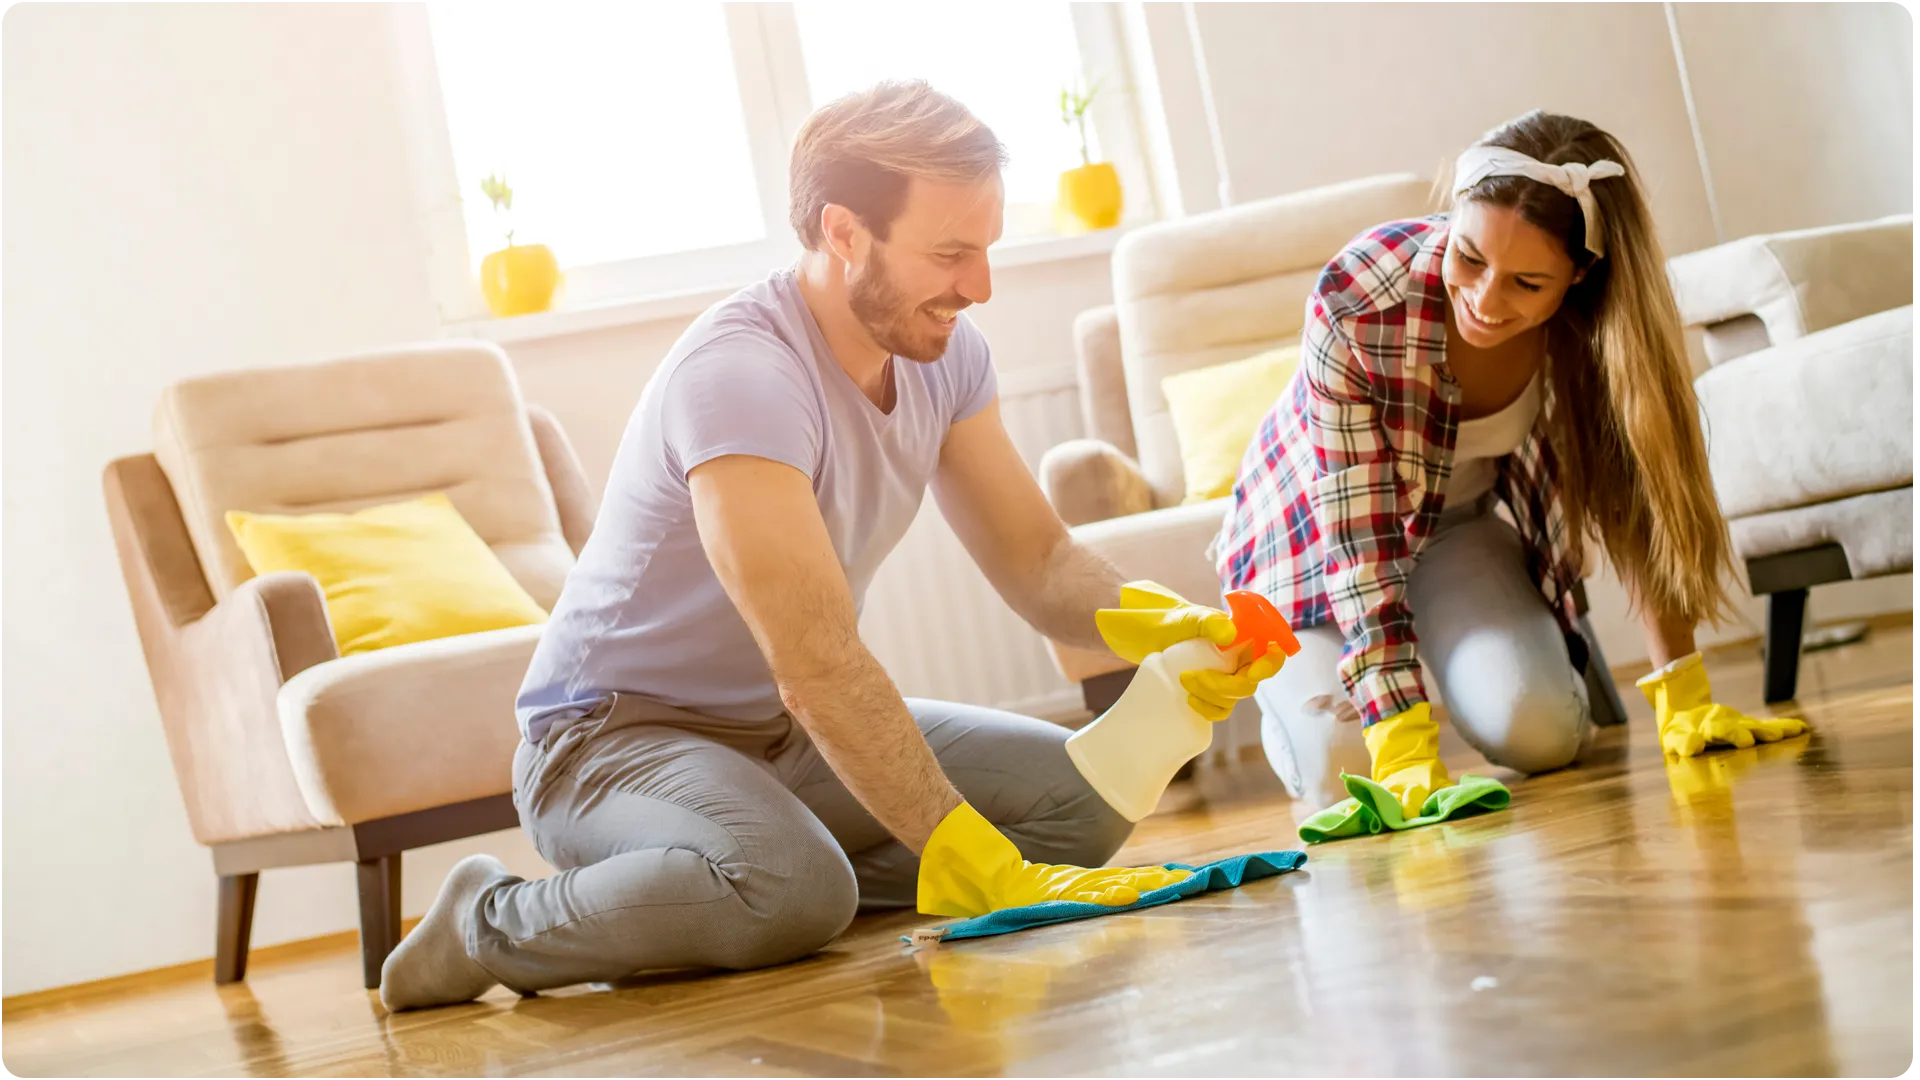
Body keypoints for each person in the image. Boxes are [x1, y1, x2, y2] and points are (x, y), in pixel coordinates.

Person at [379, 81, 1283, 1012]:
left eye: (985, 249)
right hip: (610, 740)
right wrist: (965, 851)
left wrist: (1169, 629)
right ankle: (487, 921)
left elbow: (1040, 560)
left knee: (1077, 808)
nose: (978, 287)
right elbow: (812, 659)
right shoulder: (741, 377)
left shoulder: (947, 354)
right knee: (794, 894)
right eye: (949, 253)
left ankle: (715, 893)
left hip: (780, 734)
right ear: (844, 231)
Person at [1214, 110, 1807, 817]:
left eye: (1527, 284)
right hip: (1311, 543)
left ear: (1579, 280)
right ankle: (1292, 694)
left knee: (1542, 733)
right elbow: (1361, 543)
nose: (1485, 302)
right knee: (1345, 770)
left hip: (1454, 530)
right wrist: (1400, 737)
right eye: (1469, 257)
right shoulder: (1359, 297)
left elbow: (1636, 497)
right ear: (1454, 213)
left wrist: (1683, 694)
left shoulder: (1595, 336)